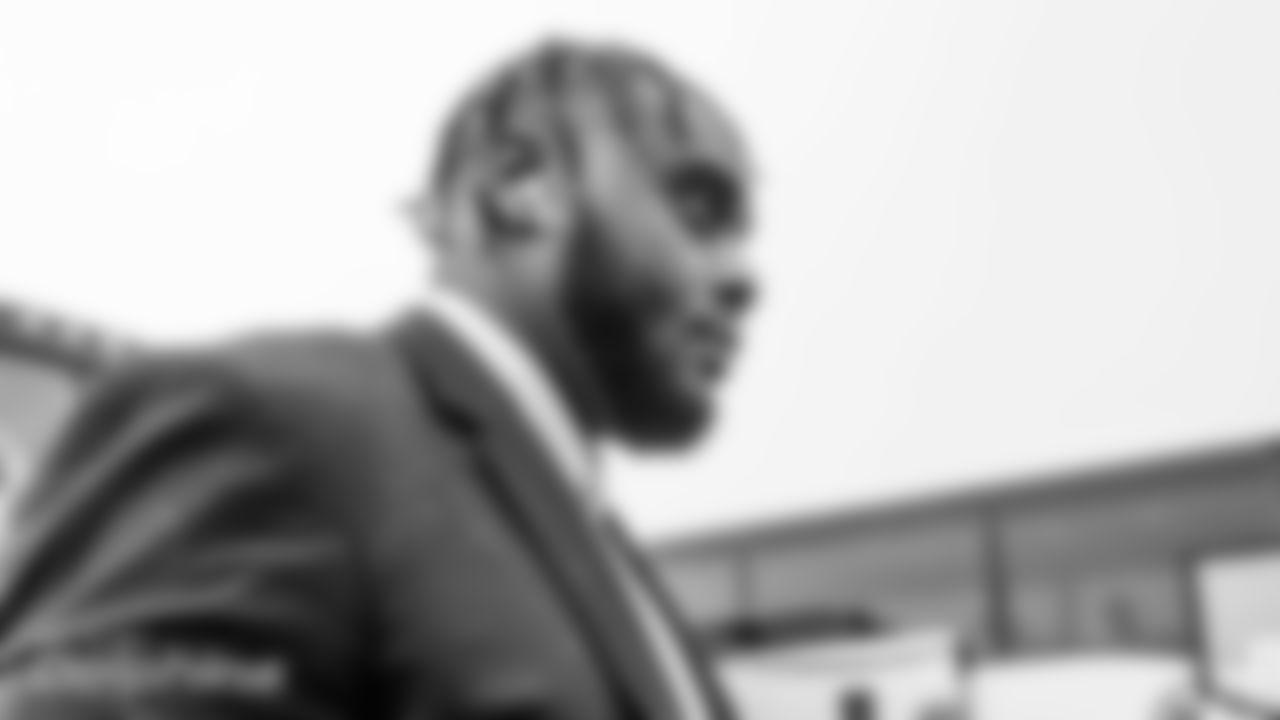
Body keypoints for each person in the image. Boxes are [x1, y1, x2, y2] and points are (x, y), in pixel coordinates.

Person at [0, 36, 760, 720]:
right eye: (701, 208)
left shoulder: (608, 555)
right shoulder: (279, 425)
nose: (746, 278)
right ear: (520, 185)